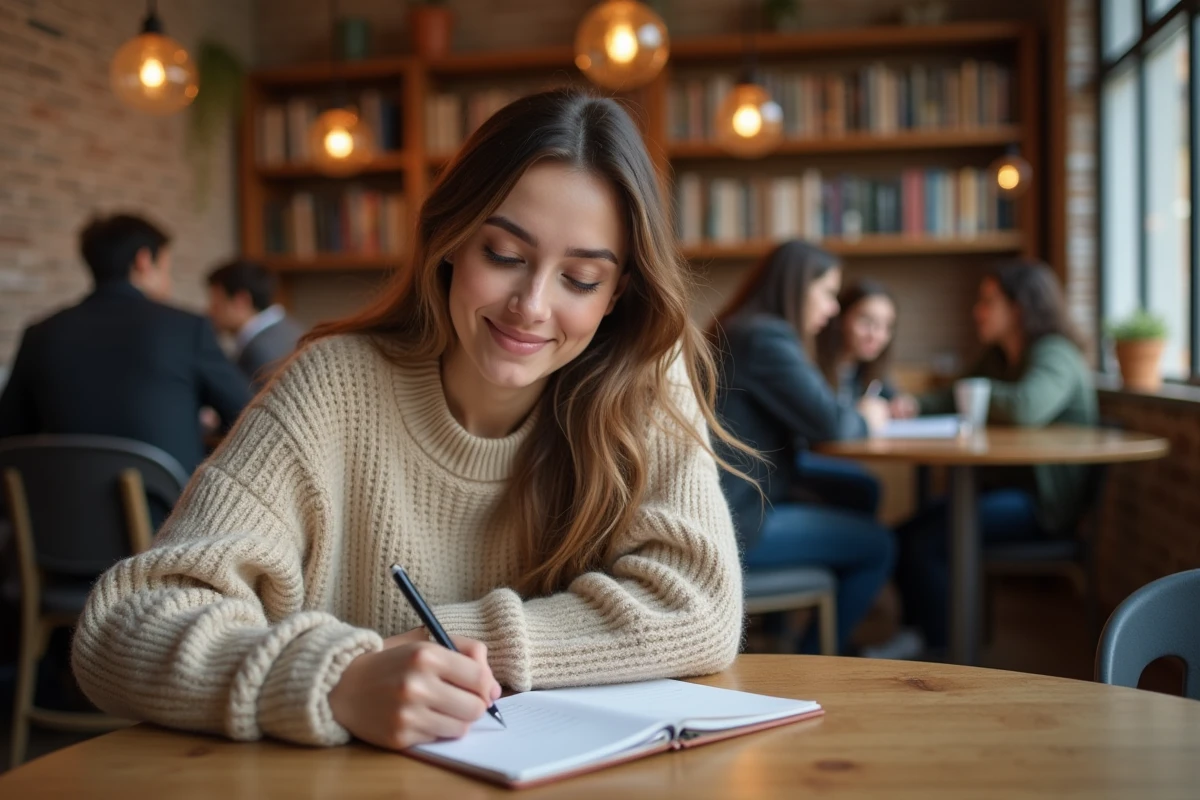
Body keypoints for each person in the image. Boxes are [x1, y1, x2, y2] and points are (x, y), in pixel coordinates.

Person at [72, 89, 746, 752]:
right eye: (504, 256)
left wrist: (447, 643)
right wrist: (335, 679)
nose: (532, 305)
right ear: (451, 240)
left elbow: (700, 609)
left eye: (580, 278)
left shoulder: (646, 380)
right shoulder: (332, 386)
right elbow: (124, 628)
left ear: (616, 293)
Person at [894, 260, 1098, 652]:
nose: (977, 310)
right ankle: (918, 635)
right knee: (903, 535)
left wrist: (976, 391)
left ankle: (942, 652)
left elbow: (1025, 408)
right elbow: (955, 393)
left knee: (929, 542)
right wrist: (914, 406)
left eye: (988, 301)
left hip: (1044, 506)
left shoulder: (1055, 353)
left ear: (1019, 307)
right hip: (1000, 490)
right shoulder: (998, 357)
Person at [713, 239, 894, 654]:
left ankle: (784, 630)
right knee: (880, 545)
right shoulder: (766, 338)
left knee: (861, 490)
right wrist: (870, 417)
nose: (832, 309)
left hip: (751, 491)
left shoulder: (747, 328)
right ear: (796, 287)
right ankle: (815, 655)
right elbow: (830, 423)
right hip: (739, 521)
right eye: (828, 293)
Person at [0, 214, 250, 474]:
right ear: (143, 261)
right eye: (166, 268)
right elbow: (246, 414)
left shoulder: (40, 334)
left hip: (62, 509)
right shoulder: (186, 329)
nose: (169, 281)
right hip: (170, 510)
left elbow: (9, 435)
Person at [802, 279, 902, 516]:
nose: (876, 335)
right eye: (866, 322)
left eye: (886, 326)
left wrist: (900, 406)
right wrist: (861, 415)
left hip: (839, 461)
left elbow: (894, 400)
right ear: (841, 318)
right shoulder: (810, 363)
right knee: (866, 488)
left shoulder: (869, 371)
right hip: (804, 460)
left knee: (865, 487)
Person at [206, 259, 306, 390]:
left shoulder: (258, 351)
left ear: (241, 301)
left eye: (216, 303)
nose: (210, 311)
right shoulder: (291, 327)